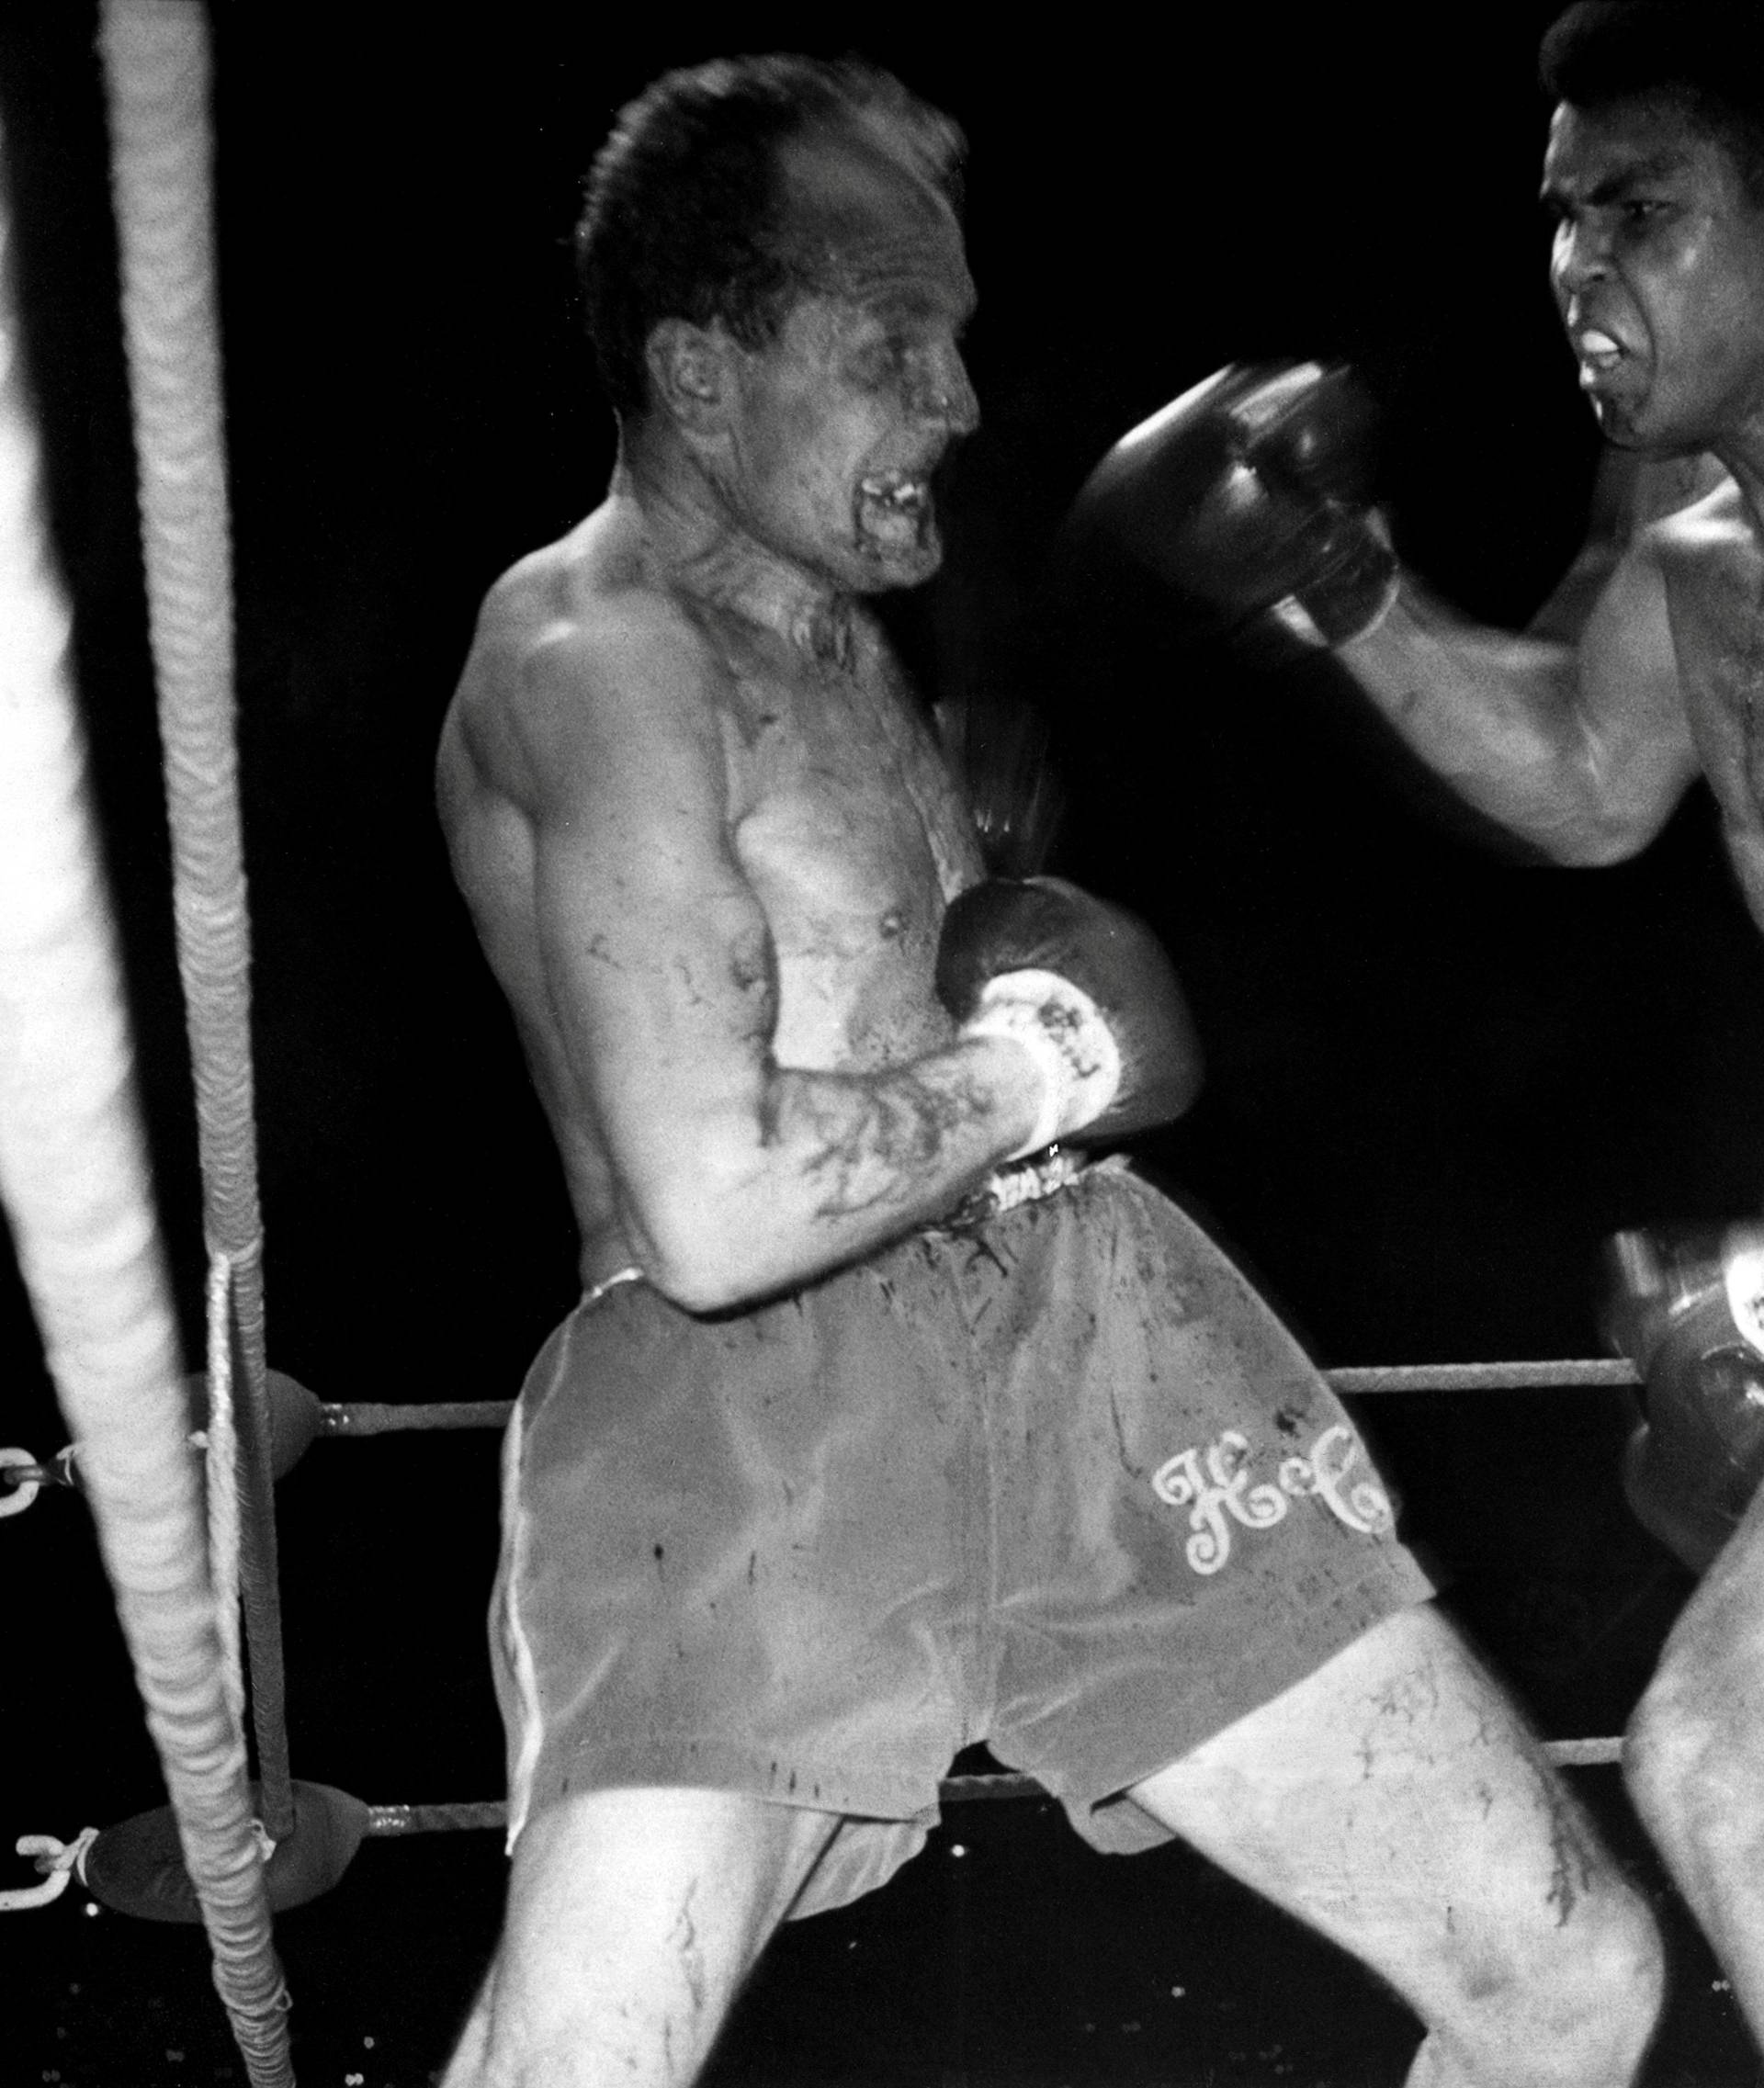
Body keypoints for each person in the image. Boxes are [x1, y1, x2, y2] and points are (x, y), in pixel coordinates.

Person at [433, 52, 1662, 2087]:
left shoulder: (832, 629)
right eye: (893, 343)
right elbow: (721, 1211)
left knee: (1570, 1984)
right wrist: (1054, 1056)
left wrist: (991, 914)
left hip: (1078, 1338)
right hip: (749, 1420)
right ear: (701, 370)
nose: (963, 403)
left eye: (961, 338)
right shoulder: (592, 660)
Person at [1067, 0, 1764, 2052]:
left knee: (1726, 1759)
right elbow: (1582, 775)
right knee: (1723, 1762)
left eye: (1639, 208)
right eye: (1557, 217)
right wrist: (1334, 583)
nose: (1577, 268)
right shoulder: (1692, 545)